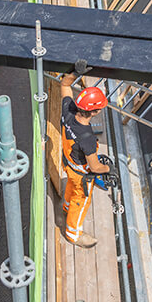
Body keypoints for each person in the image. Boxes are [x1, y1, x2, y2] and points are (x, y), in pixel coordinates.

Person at [60, 74, 110, 248]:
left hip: (67, 163)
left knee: (70, 188)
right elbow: (95, 167)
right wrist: (108, 169)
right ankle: (73, 235)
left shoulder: (68, 111)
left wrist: (74, 73)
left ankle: (66, 207)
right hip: (81, 174)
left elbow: (65, 85)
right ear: (94, 112)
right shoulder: (87, 138)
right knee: (81, 202)